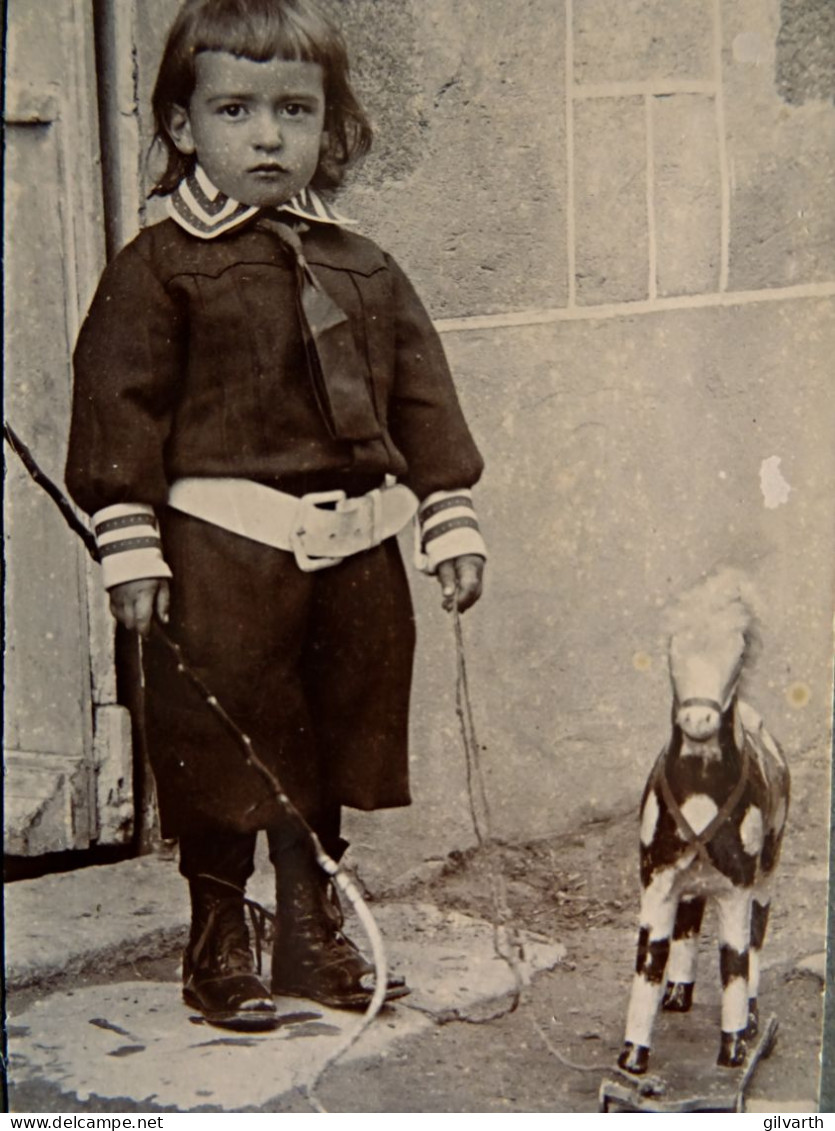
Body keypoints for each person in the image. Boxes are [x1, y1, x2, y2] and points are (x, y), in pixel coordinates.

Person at [66, 0, 486, 1031]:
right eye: (237, 110)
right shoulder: (158, 269)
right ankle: (217, 941)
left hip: (356, 559)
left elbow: (423, 402)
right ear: (180, 127)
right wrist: (132, 548)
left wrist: (448, 517)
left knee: (333, 741)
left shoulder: (365, 267)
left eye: (295, 111)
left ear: (328, 127)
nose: (267, 136)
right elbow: (117, 412)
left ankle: (309, 931)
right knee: (222, 750)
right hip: (223, 560)